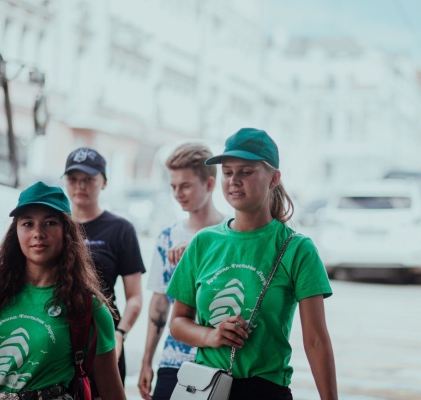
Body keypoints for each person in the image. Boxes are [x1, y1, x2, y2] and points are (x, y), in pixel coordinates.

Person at [166, 128, 338, 399]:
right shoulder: (203, 242)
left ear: (274, 178)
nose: (234, 181)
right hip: (206, 388)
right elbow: (178, 322)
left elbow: (316, 340)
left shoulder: (297, 249)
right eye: (227, 172)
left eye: (246, 172)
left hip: (266, 390)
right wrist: (211, 336)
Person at [0, 181, 126, 399]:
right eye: (27, 223)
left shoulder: (87, 307)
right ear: (16, 232)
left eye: (50, 223)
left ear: (66, 232)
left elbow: (111, 391)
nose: (38, 233)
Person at [138, 143, 225, 399]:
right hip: (173, 360)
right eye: (173, 186)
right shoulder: (167, 237)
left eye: (185, 186)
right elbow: (159, 304)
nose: (178, 193)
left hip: (219, 359)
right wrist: (146, 361)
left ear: (209, 184)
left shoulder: (232, 235)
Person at [63, 147, 146, 393]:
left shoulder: (121, 229)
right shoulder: (55, 225)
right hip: (58, 334)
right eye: (73, 178)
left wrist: (120, 334)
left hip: (104, 337)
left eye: (89, 179)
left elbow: (135, 297)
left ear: (104, 182)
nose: (80, 185)